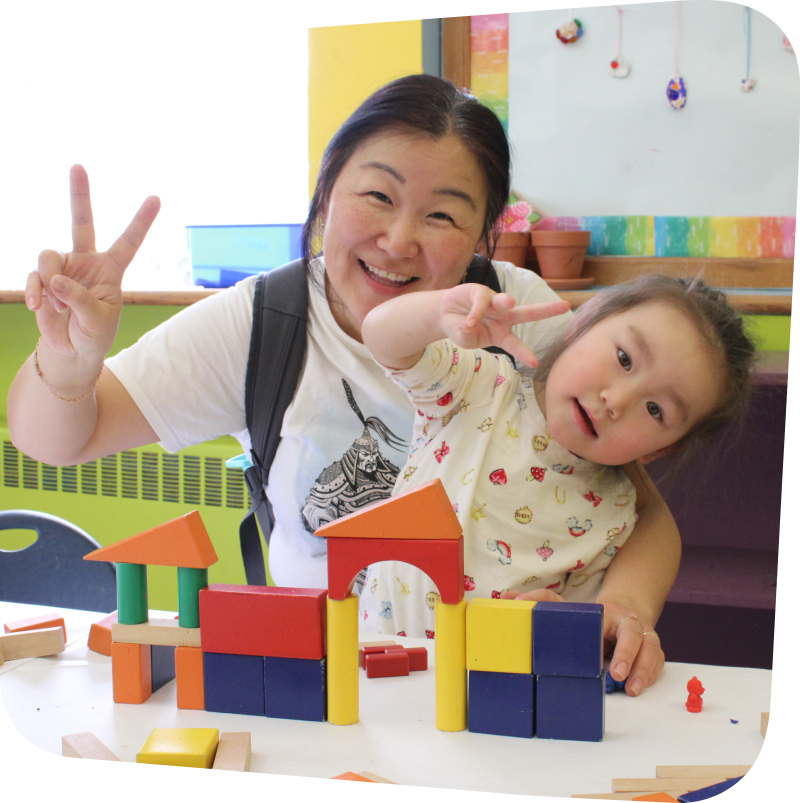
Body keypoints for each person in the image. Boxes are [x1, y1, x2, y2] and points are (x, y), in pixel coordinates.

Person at [10, 74, 679, 695]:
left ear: (484, 233)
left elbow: (641, 510)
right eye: (379, 196)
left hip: (501, 675)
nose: (398, 239)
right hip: (328, 683)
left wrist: (623, 608)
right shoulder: (262, 323)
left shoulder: (518, 317)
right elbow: (63, 438)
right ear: (328, 190)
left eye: (443, 216)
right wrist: (68, 361)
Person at [359, 275, 755, 642]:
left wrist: (561, 622)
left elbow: (578, 640)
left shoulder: (615, 519)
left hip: (485, 699)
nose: (615, 401)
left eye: (655, 410)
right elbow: (381, 337)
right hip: (371, 662)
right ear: (581, 323)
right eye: (624, 358)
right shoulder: (477, 384)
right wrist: (437, 312)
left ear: (658, 450)